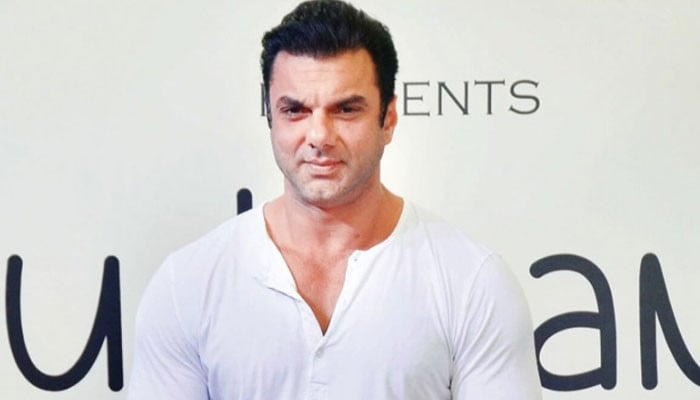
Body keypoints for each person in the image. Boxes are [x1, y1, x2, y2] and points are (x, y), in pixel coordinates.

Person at [127, 1, 542, 399]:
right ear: (271, 117)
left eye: (345, 109)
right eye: (295, 110)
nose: (319, 136)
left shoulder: (471, 283)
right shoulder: (188, 284)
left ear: (388, 119)